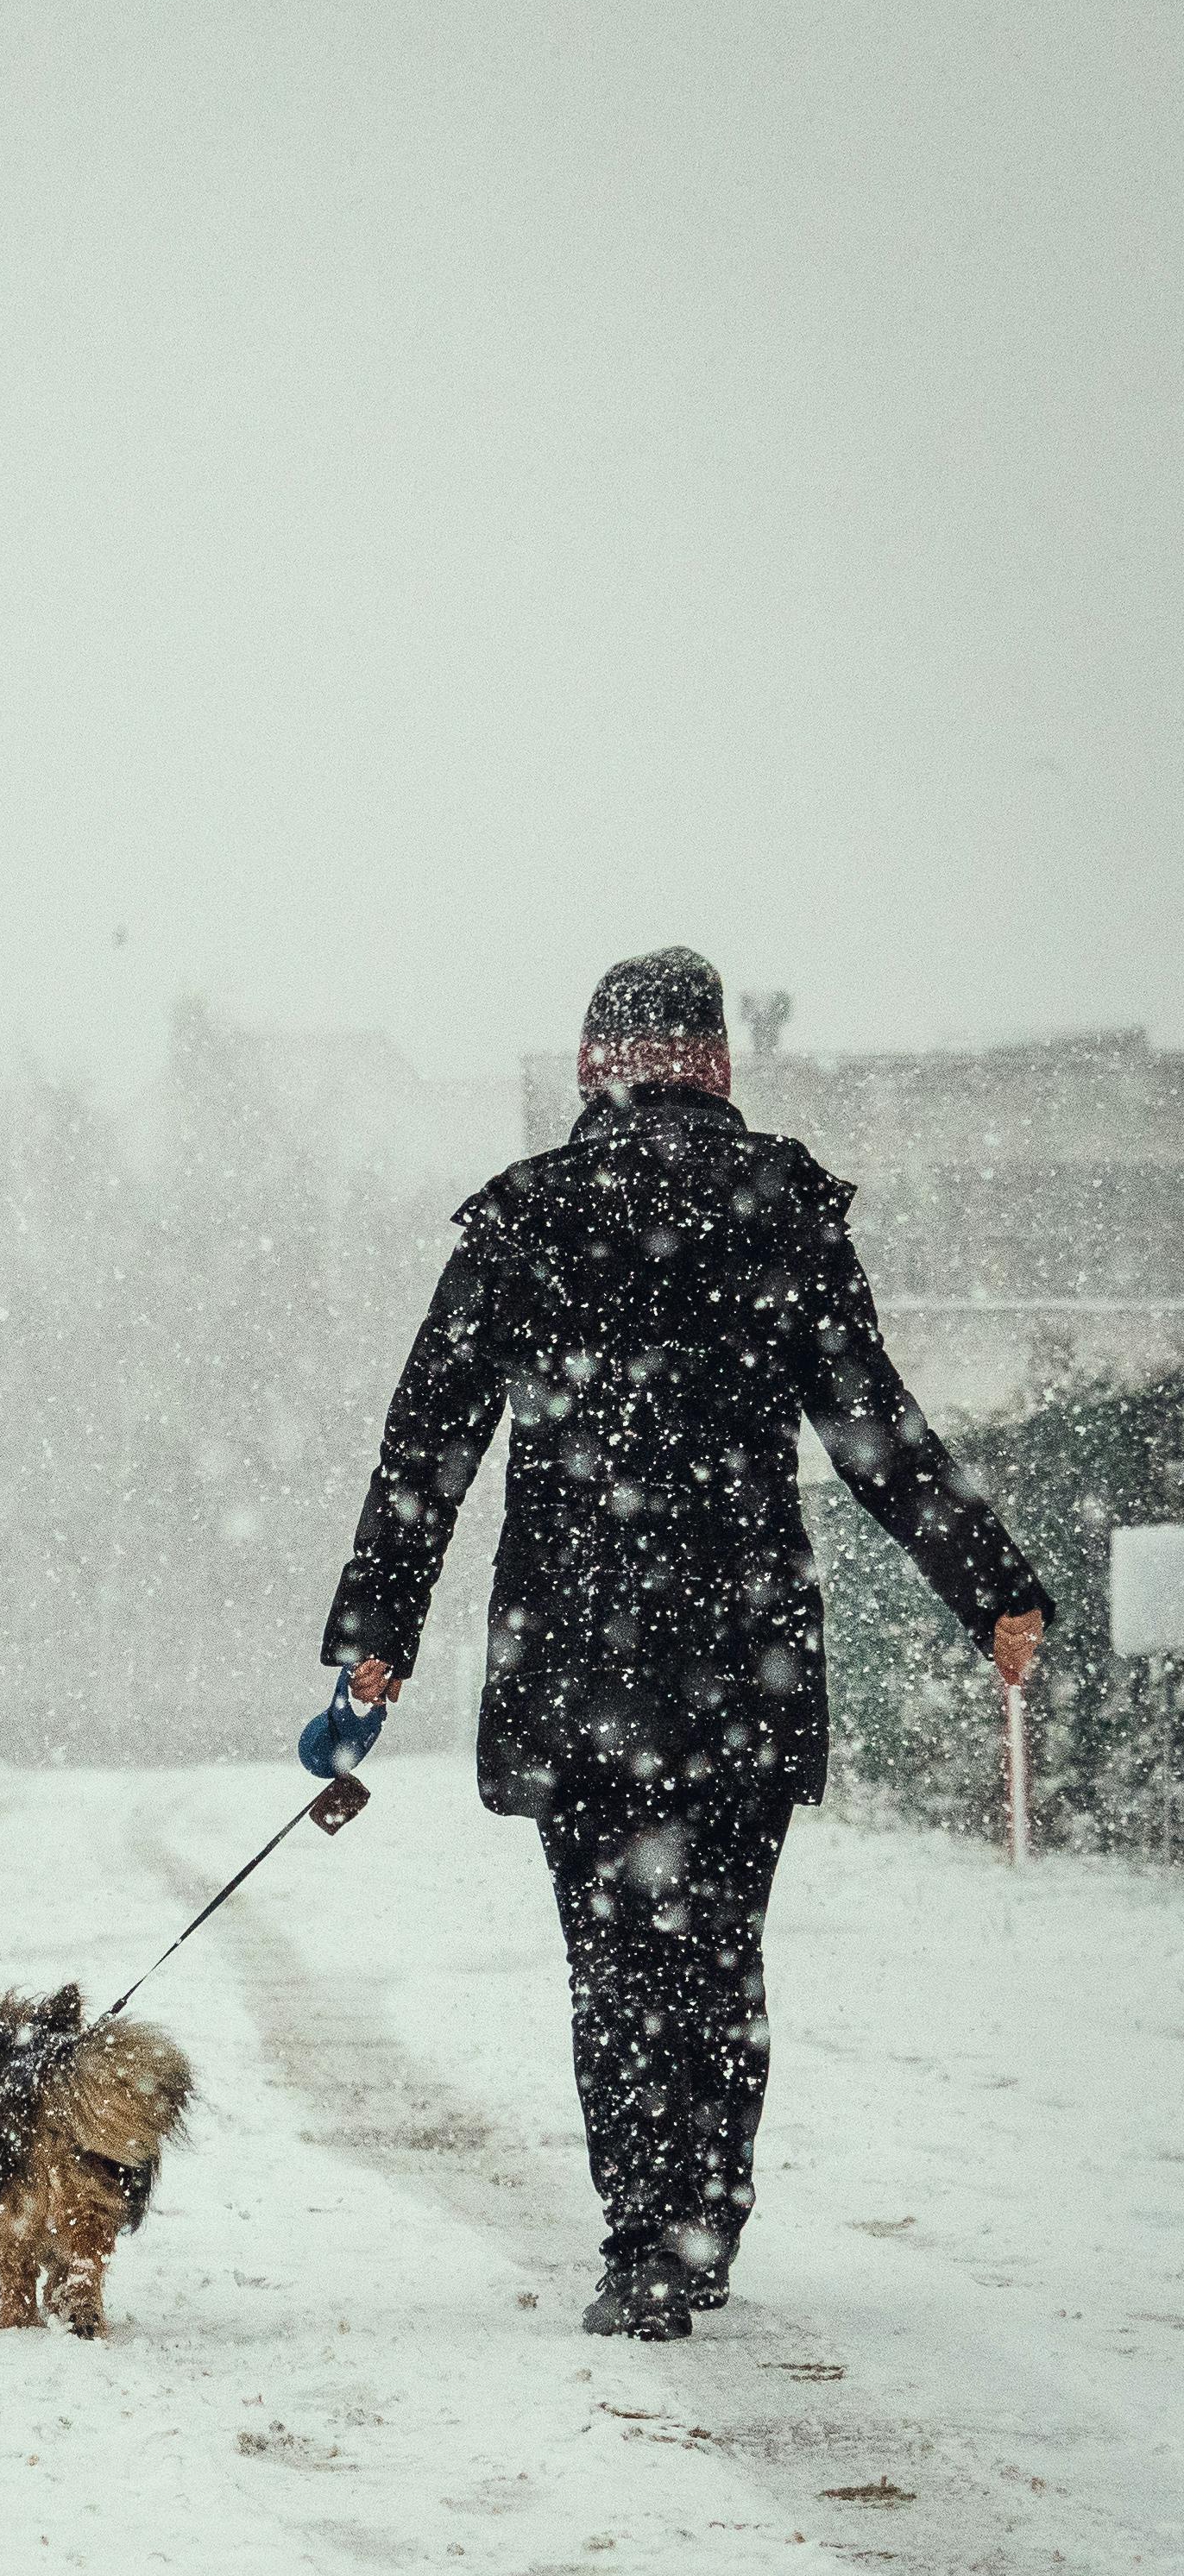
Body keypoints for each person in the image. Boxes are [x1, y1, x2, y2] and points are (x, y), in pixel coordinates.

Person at [322, 950, 1050, 2341]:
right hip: (742, 1654)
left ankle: (642, 2237)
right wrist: (993, 1588)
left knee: (616, 1965)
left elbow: (428, 1447)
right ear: (717, 1063)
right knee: (720, 1954)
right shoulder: (780, 1213)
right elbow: (874, 1431)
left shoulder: (530, 1218)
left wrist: (378, 1632)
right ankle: (699, 2227)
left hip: (580, 1656)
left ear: (597, 1064)